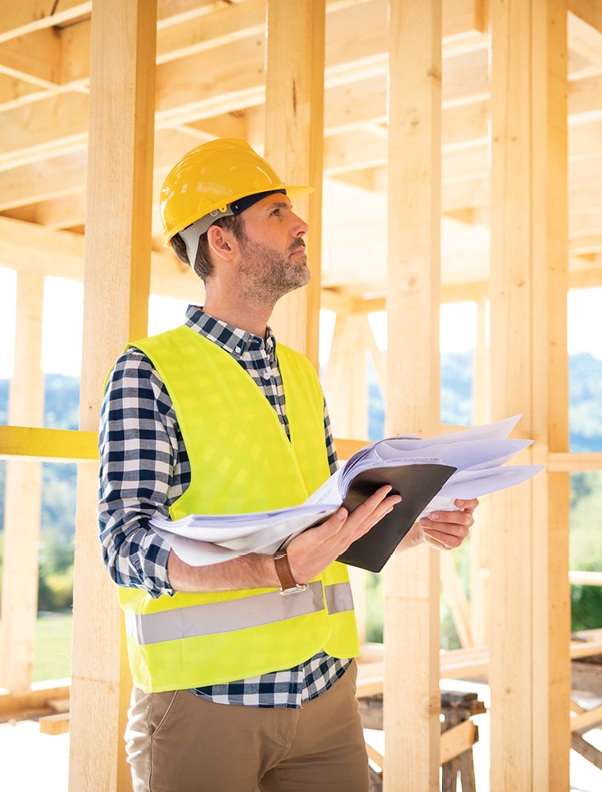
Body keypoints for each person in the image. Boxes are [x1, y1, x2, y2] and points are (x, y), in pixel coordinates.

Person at [98, 137, 478, 792]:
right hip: (207, 706)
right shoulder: (150, 370)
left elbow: (317, 527)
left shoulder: (299, 374)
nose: (301, 223)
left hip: (325, 698)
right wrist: (270, 570)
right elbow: (124, 545)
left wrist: (405, 525)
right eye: (277, 212)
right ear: (222, 240)